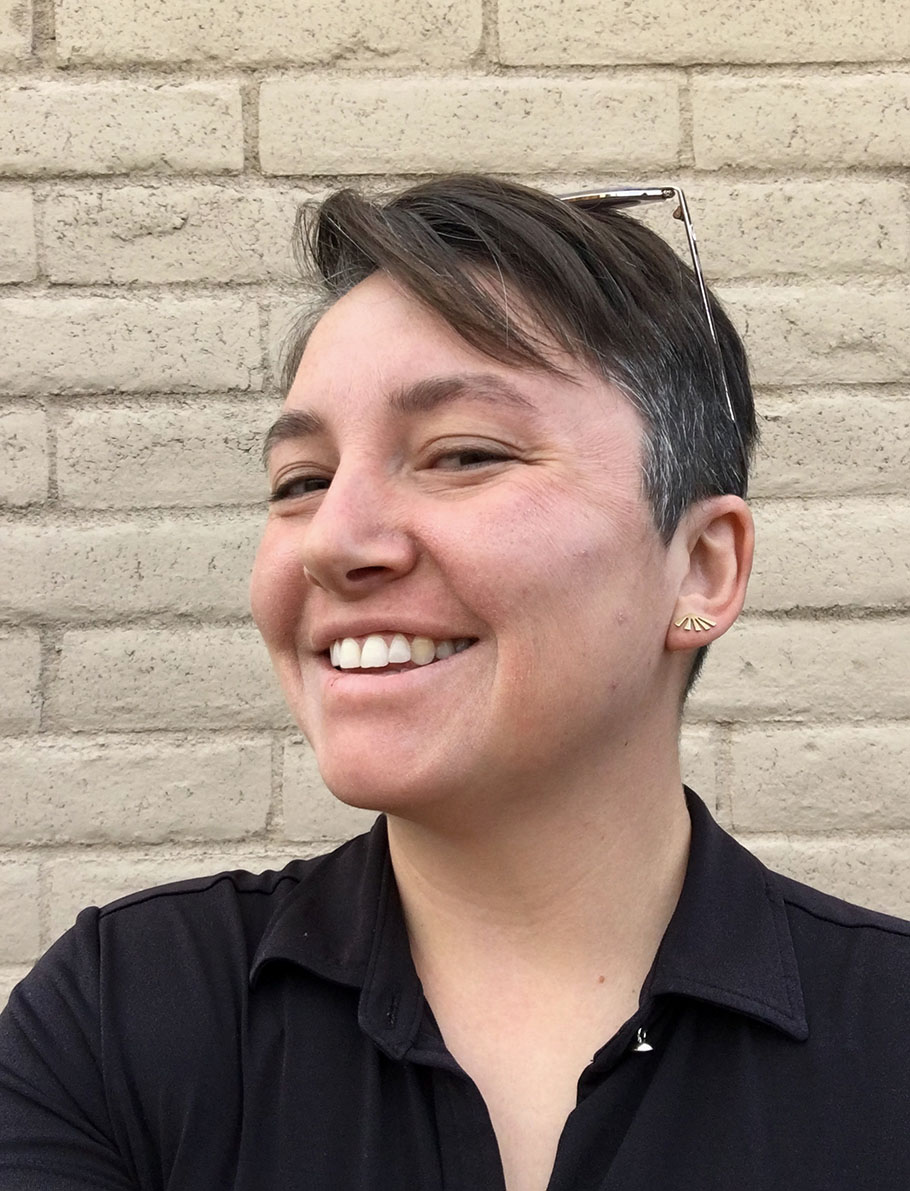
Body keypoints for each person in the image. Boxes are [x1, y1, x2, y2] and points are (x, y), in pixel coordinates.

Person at [1, 174, 908, 1191]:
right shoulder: (126, 1020)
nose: (333, 541)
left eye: (462, 455)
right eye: (301, 481)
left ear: (700, 568)